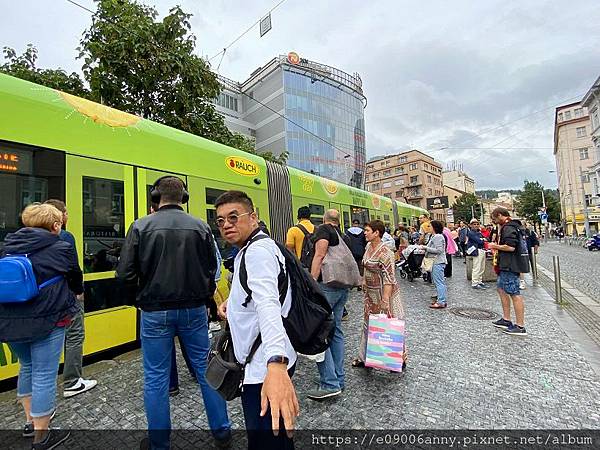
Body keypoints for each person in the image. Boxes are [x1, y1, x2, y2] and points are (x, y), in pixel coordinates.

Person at [116, 176, 231, 449]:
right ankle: (222, 432)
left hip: (155, 312)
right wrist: (205, 300)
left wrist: (140, 300)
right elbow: (211, 271)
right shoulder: (200, 227)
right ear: (185, 197)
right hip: (193, 311)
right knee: (206, 369)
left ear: (156, 197)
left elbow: (124, 274)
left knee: (156, 377)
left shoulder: (140, 226)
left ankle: (159, 443)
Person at [214, 190, 298, 450]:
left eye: (233, 217)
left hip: (264, 369)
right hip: (260, 364)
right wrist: (235, 304)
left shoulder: (256, 252)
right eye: (220, 220)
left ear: (253, 217)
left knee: (268, 442)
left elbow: (269, 306)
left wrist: (276, 365)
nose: (226, 224)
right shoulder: (250, 248)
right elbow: (260, 293)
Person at [1, 203, 82, 449]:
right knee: (45, 375)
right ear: (55, 225)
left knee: (26, 367)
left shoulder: (6, 247)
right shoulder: (61, 247)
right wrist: (78, 294)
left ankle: (28, 422)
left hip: (9, 321)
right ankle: (42, 436)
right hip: (48, 320)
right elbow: (75, 279)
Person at [44, 199, 97, 398]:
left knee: (44, 343)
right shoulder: (65, 237)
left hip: (42, 300)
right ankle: (73, 381)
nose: (67, 216)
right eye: (65, 212)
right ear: (58, 215)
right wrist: (79, 291)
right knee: (74, 335)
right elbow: (73, 268)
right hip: (66, 297)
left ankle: (36, 395)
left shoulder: (26, 238)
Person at [308, 209, 351, 401]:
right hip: (342, 288)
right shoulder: (343, 235)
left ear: (325, 219)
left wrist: (311, 283)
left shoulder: (324, 230)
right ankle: (338, 379)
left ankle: (329, 382)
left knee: (319, 333)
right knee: (336, 331)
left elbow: (319, 255)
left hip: (326, 287)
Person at [352, 220, 406, 368]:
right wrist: (363, 281)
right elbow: (365, 265)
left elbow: (389, 277)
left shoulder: (385, 252)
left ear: (377, 233)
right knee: (368, 323)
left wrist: (385, 299)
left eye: (367, 230)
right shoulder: (368, 246)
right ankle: (363, 357)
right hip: (370, 293)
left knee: (389, 324)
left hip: (384, 292)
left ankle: (398, 358)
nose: (364, 233)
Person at [488, 207, 530, 336]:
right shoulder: (512, 226)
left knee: (514, 293)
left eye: (495, 219)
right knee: (501, 289)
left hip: (510, 264)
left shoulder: (509, 227)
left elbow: (511, 247)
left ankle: (520, 326)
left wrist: (494, 246)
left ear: (500, 215)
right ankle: (506, 319)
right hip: (505, 264)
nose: (494, 222)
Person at [421, 220, 448, 309]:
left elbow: (439, 250)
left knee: (439, 282)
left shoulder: (437, 237)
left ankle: (441, 301)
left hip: (437, 261)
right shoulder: (435, 236)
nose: (429, 228)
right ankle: (440, 298)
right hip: (437, 262)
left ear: (434, 227)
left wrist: (425, 248)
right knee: (438, 281)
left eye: (430, 226)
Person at [466, 218, 487, 290]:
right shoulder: (470, 233)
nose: (476, 225)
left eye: (477, 224)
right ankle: (475, 283)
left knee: (482, 267)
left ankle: (479, 281)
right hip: (476, 251)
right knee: (476, 267)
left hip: (482, 250)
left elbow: (486, 239)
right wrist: (482, 240)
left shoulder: (479, 232)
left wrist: (482, 239)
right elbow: (479, 241)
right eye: (474, 224)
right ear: (471, 225)